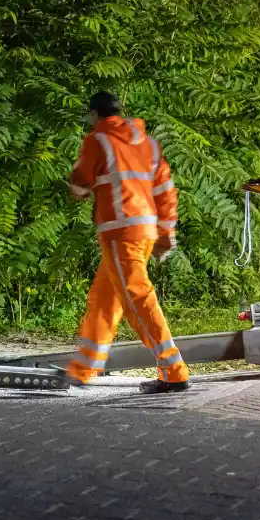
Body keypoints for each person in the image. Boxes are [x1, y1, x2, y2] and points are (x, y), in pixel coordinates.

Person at [65, 91, 190, 394]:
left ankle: (174, 371)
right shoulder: (148, 144)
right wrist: (165, 234)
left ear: (95, 115)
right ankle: (85, 367)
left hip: (119, 234)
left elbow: (81, 180)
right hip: (143, 233)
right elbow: (166, 192)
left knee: (137, 300)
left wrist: (78, 189)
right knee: (104, 297)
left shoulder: (97, 140)